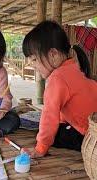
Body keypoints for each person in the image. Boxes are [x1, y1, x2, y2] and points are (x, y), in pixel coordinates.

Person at [21, 20, 97, 158]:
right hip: (92, 129)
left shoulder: (57, 78)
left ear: (53, 54)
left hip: (88, 137)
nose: (31, 65)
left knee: (50, 133)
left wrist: (40, 148)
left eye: (34, 60)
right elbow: (64, 106)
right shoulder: (72, 68)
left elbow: (50, 115)